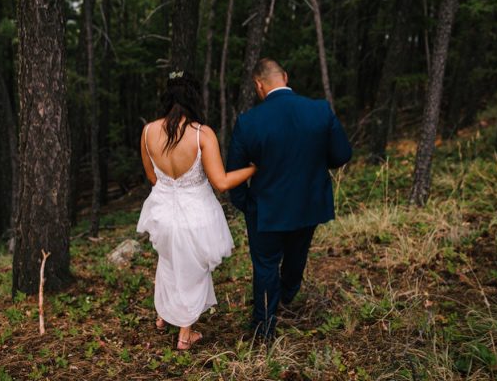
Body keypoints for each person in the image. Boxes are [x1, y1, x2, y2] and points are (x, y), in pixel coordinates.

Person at [226, 58, 353, 339]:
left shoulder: (249, 122)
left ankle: (264, 329)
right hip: (308, 204)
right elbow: (342, 155)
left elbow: (233, 171)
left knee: (265, 266)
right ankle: (287, 295)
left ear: (259, 85)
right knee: (296, 256)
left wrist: (245, 203)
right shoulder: (319, 110)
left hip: (266, 209)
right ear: (285, 76)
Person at [137, 74, 256, 350]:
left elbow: (152, 177)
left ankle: (162, 317)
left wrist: (171, 189)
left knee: (168, 261)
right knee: (194, 270)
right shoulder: (202, 133)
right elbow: (222, 183)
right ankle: (185, 334)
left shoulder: (148, 132)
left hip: (162, 211)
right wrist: (253, 168)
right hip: (197, 213)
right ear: (194, 98)